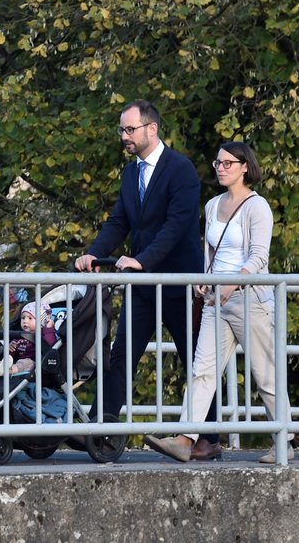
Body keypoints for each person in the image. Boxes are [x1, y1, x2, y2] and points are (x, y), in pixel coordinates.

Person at [74, 99, 222, 460]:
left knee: (195, 360)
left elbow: (176, 227)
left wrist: (142, 260)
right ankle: (103, 428)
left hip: (179, 283)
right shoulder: (131, 174)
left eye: (130, 129)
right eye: (121, 130)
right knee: (121, 355)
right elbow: (120, 221)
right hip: (141, 285)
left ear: (151, 129)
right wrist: (94, 252)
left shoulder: (181, 170)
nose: (124, 136)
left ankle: (209, 437)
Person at [144, 142, 294, 464]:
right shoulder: (213, 206)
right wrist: (204, 278)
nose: (221, 168)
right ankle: (186, 439)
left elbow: (259, 258)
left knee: (265, 372)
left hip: (249, 299)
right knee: (202, 370)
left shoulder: (258, 207)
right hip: (216, 300)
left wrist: (233, 281)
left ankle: (284, 441)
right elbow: (211, 254)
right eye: (218, 163)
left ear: (245, 167)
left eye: (228, 163)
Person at [0, 301, 57, 375]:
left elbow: (50, 345)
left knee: (26, 363)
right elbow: (10, 357)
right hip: (14, 363)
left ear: (42, 321)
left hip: (34, 364)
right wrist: (11, 349)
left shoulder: (44, 335)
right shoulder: (19, 337)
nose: (25, 321)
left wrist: (49, 329)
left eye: (30, 318)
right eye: (23, 318)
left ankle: (8, 370)